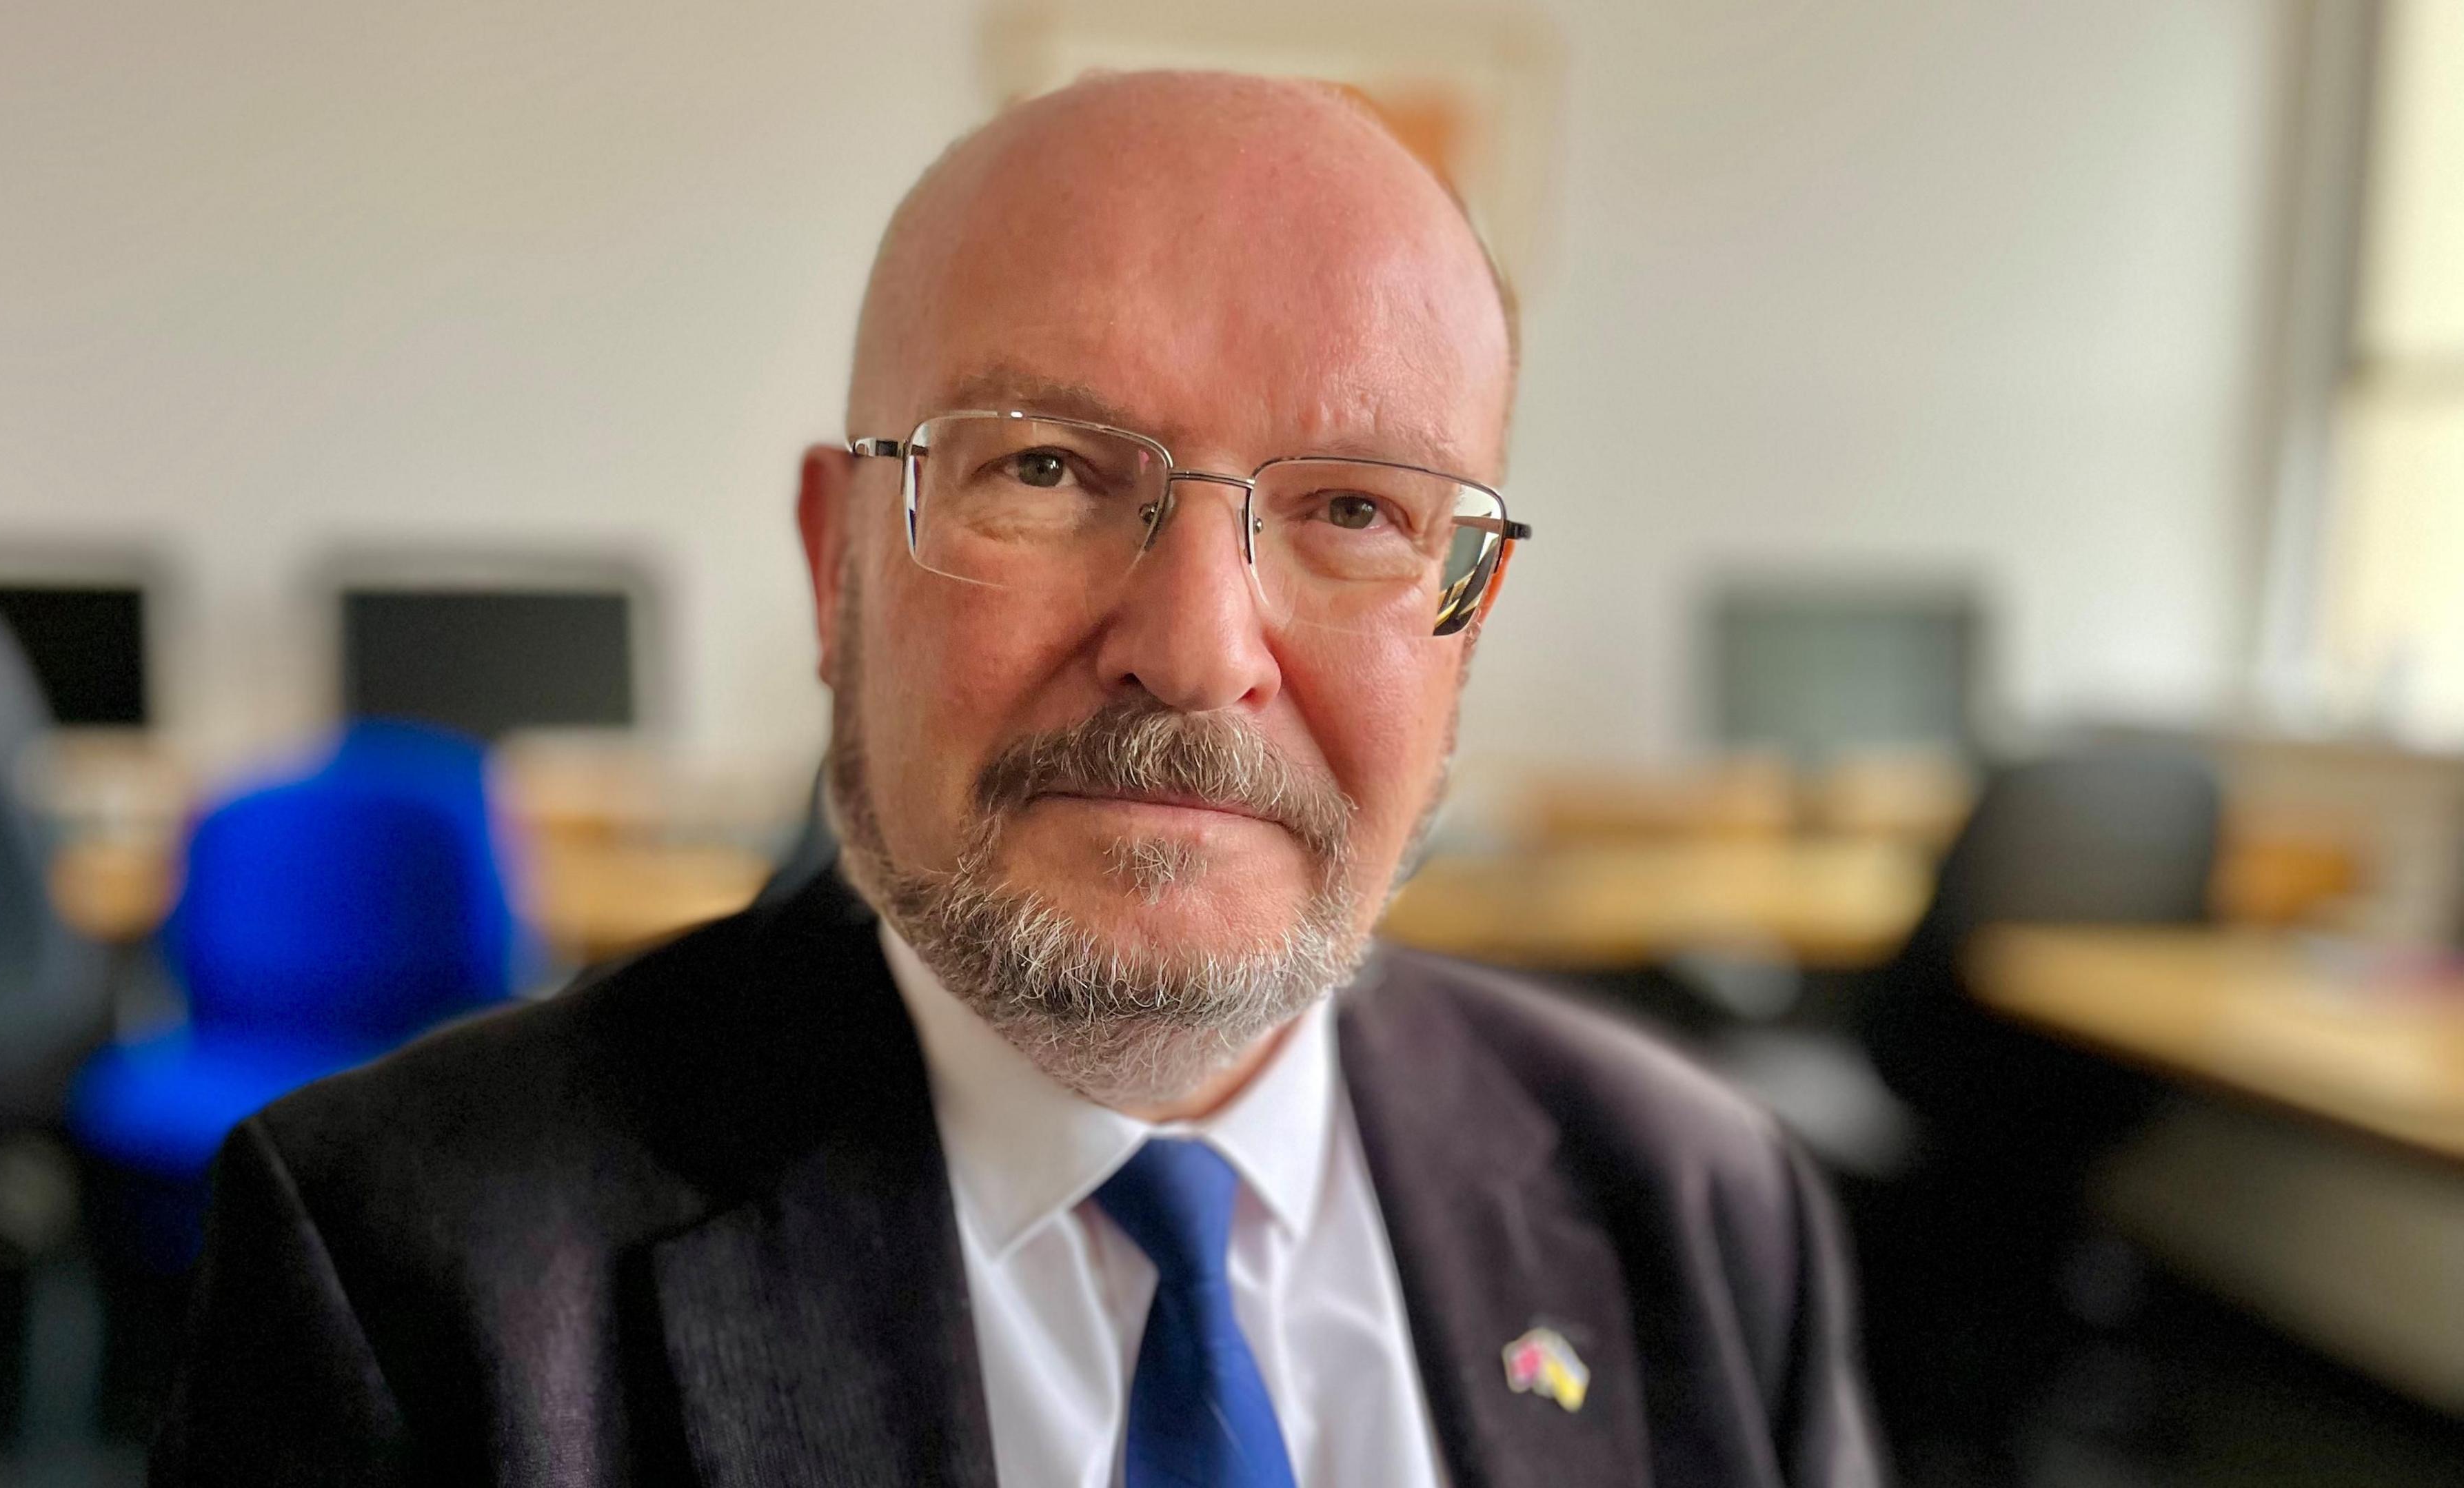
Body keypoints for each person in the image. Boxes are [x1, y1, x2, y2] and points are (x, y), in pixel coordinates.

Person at [157, 70, 1883, 1487]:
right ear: (839, 568)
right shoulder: (409, 1272)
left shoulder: (1709, 1208)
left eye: (1360, 510)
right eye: (1048, 469)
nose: (1198, 649)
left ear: (1465, 622)